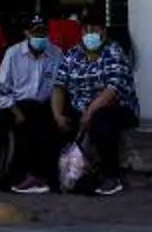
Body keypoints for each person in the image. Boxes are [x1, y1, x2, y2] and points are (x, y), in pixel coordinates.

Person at [51, 24, 135, 195]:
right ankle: (55, 177)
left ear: (103, 33)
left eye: (95, 31)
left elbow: (112, 90)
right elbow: (59, 86)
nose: (90, 35)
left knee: (102, 123)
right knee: (50, 125)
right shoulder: (73, 54)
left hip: (112, 107)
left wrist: (89, 113)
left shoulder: (114, 52)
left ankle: (111, 176)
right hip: (79, 108)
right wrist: (58, 115)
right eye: (86, 31)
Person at [0, 16, 62, 193]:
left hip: (42, 106)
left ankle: (38, 177)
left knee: (46, 132)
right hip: (15, 104)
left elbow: (59, 86)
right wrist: (16, 112)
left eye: (43, 32)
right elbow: (3, 88)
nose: (40, 36)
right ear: (26, 33)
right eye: (35, 32)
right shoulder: (13, 54)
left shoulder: (56, 53)